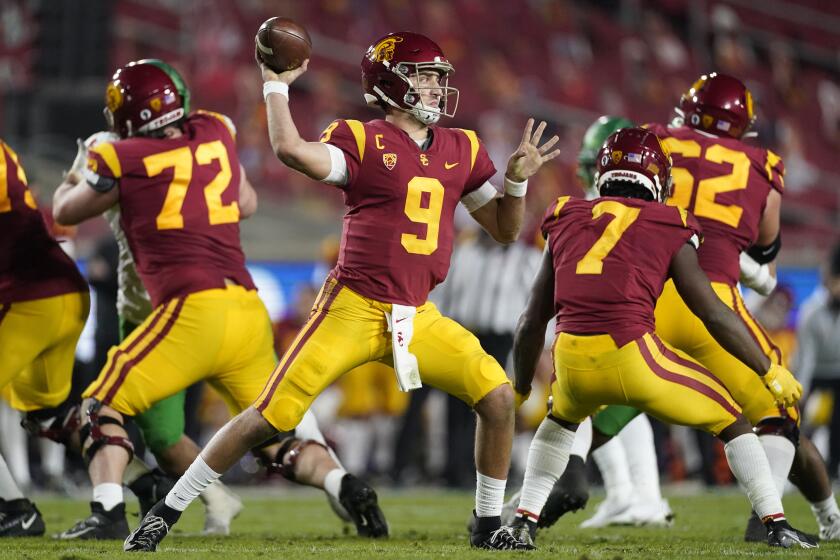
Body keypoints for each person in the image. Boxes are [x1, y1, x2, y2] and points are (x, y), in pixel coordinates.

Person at [126, 31, 560, 552]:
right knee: (269, 417)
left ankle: (488, 526)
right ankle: (165, 512)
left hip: (417, 313)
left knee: (496, 398)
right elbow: (291, 151)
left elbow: (506, 230)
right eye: (424, 77)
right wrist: (274, 86)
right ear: (391, 84)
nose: (436, 88)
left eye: (438, 78)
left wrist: (516, 183)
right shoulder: (362, 139)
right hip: (351, 307)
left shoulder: (461, 147)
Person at [52, 59, 386, 540]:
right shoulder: (214, 131)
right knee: (270, 434)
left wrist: (81, 167)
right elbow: (245, 203)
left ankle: (106, 512)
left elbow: (65, 210)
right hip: (245, 308)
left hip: (188, 311)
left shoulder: (119, 157)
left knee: (97, 406)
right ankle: (343, 483)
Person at [539, 74, 840, 542]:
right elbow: (765, 244)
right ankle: (773, 519)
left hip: (646, 296)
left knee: (578, 406)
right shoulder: (762, 164)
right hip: (710, 298)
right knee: (777, 414)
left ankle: (565, 473)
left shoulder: (657, 137)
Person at [0, 138, 90, 537]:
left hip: (29, 300)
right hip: (65, 296)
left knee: (21, 413)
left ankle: (15, 504)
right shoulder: (17, 178)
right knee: (48, 415)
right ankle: (131, 485)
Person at [796, 241, 840, 481]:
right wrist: (801, 391)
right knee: (801, 420)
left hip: (838, 372)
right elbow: (807, 355)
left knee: (837, 422)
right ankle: (797, 465)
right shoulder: (811, 311)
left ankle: (833, 469)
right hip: (814, 372)